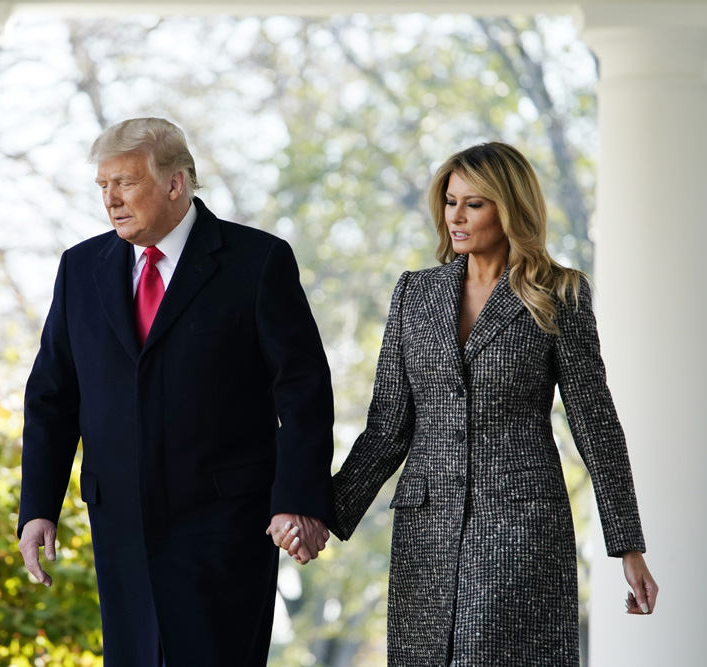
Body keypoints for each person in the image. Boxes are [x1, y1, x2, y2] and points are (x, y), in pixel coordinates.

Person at [278, 142, 659, 665]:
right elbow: (388, 429)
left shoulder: (559, 293)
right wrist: (320, 513)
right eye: (450, 201)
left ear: (511, 209)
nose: (454, 217)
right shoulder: (415, 294)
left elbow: (595, 424)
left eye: (473, 204)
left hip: (520, 526)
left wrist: (627, 546)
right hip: (426, 531)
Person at [17, 117, 333, 666]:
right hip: (120, 529)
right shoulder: (79, 268)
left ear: (175, 183)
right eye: (103, 186)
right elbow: (52, 397)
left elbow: (303, 392)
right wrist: (38, 507)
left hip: (225, 525)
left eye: (126, 183)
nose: (111, 199)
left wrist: (299, 500)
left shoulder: (257, 261)